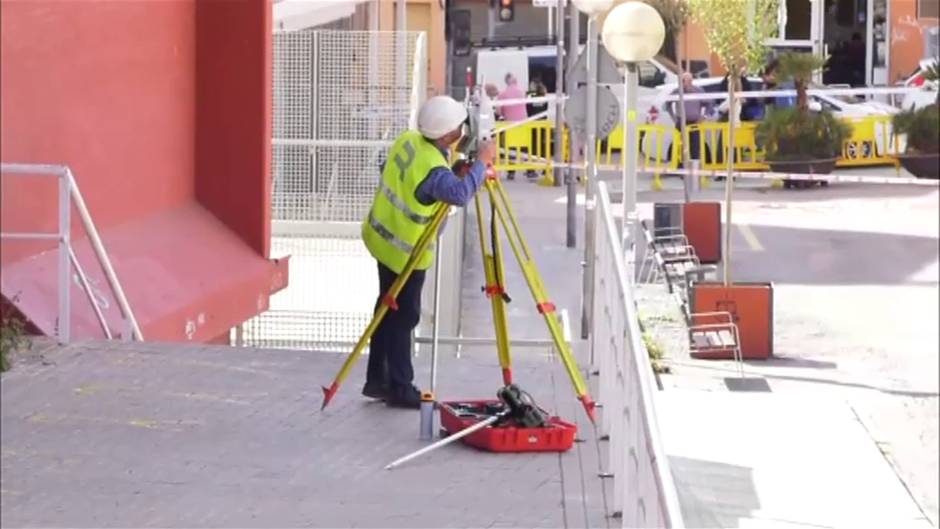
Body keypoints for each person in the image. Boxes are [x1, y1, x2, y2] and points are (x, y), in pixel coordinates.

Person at [361, 95, 496, 409]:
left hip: (381, 237)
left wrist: (458, 168)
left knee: (386, 310)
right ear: (448, 135)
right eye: (460, 127)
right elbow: (459, 194)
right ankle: (400, 386)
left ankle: (377, 380)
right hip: (404, 252)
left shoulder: (410, 140)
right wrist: (481, 163)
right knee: (404, 316)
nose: (464, 130)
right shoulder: (434, 168)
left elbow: (412, 176)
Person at [665, 72, 714, 163]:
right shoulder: (677, 91)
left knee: (695, 146)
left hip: (694, 123)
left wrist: (704, 116)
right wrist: (674, 117)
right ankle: (681, 168)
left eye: (685, 81)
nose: (683, 83)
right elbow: (667, 104)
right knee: (680, 146)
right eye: (682, 81)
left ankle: (694, 168)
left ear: (691, 81)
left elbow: (709, 104)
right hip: (681, 123)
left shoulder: (698, 91)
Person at [496, 73, 535, 180]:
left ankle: (511, 172)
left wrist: (504, 113)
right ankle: (530, 170)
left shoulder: (502, 94)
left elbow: (498, 111)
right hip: (523, 122)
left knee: (511, 148)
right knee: (525, 147)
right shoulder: (522, 92)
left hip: (510, 124)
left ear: (506, 82)